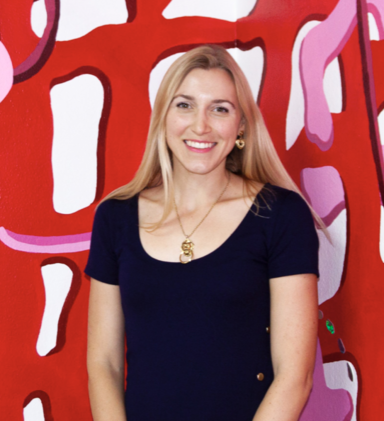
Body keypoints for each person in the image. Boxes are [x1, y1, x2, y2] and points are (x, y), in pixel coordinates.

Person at [85, 44, 320, 421]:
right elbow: (104, 363)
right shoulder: (115, 218)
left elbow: (296, 376)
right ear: (162, 116)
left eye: (220, 109)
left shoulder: (281, 215)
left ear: (241, 125)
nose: (201, 125)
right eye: (184, 105)